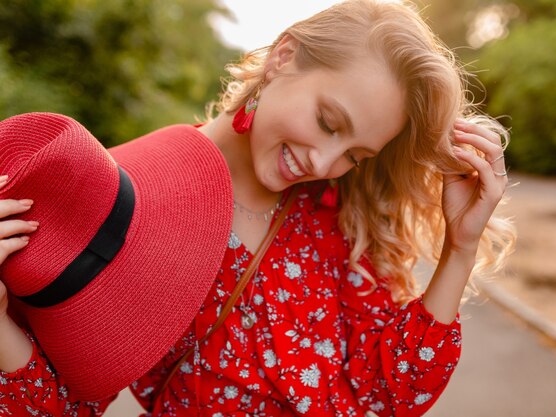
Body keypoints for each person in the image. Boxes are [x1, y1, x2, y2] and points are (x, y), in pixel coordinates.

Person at [0, 0, 515, 415]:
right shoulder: (134, 200)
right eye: (329, 122)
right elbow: (61, 404)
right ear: (283, 57)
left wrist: (460, 247)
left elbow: (389, 394)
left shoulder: (339, 212)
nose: (324, 162)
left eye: (356, 155)